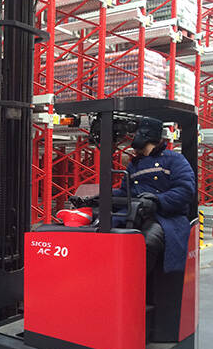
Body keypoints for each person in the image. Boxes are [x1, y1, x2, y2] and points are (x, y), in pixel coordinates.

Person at [71, 117, 196, 274]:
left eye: (136, 133)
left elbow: (185, 190)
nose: (133, 137)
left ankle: (136, 283)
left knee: (146, 242)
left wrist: (158, 201)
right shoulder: (134, 165)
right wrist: (97, 199)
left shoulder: (174, 160)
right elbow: (125, 192)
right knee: (101, 232)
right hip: (134, 212)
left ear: (146, 134)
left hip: (165, 217)